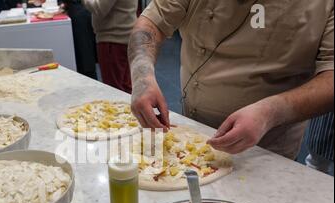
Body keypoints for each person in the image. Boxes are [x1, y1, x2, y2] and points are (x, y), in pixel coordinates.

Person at [128, 0, 334, 159]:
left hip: (266, 149)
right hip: (191, 129)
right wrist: (141, 75)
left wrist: (271, 111)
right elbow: (151, 23)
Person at [82, 0, 138, 93]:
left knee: (113, 89)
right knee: (125, 86)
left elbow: (98, 8)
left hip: (113, 39)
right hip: (123, 37)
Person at [59, 0, 97, 79]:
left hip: (80, 14)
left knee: (85, 55)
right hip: (79, 11)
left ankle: (90, 81)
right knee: (84, 54)